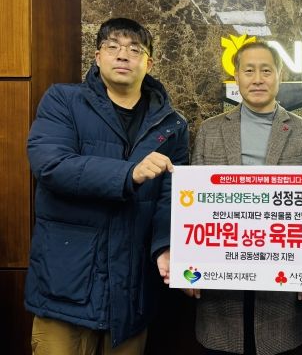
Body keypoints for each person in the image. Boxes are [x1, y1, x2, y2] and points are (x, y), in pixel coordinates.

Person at [25, 18, 189, 354]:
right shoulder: (63, 101)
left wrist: (166, 246)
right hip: (66, 284)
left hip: (131, 290)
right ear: (98, 57)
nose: (123, 55)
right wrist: (128, 174)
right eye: (112, 47)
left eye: (134, 49)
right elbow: (51, 165)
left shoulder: (172, 124)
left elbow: (173, 195)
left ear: (149, 63)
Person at [190, 41, 302, 355]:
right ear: (236, 76)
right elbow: (194, 207)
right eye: (249, 71)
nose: (258, 79)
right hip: (221, 285)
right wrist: (189, 265)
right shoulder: (210, 131)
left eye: (266, 70)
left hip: (282, 288)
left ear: (280, 75)